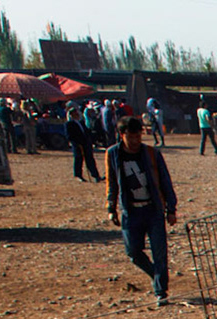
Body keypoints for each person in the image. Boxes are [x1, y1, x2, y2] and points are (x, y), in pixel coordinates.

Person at [105, 117, 178, 307]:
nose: (136, 140)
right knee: (133, 252)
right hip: (131, 211)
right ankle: (157, 275)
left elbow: (165, 181)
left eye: (138, 136)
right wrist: (111, 208)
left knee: (159, 252)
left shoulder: (152, 154)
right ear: (122, 135)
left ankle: (160, 291)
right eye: (131, 137)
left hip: (153, 209)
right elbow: (112, 182)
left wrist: (171, 208)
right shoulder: (113, 154)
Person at [66, 107, 101, 181]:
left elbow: (86, 131)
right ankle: (78, 175)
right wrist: (77, 143)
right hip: (78, 145)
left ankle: (96, 175)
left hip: (86, 144)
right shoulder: (69, 124)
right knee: (79, 160)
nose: (76, 115)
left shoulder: (81, 122)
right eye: (74, 114)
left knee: (90, 160)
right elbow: (69, 136)